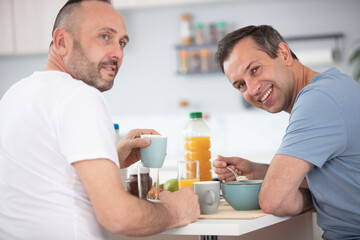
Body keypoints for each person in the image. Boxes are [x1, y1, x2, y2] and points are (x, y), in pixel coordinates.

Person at [0, 0, 200, 239]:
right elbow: (118, 216)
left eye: (122, 42)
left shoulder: (14, 94)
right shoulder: (79, 96)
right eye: (105, 36)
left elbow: (44, 177)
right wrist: (175, 211)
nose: (118, 53)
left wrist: (111, 158)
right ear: (62, 42)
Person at [214, 25, 360, 239]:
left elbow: (274, 200)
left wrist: (306, 196)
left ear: (283, 54)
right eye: (241, 85)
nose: (253, 89)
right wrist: (258, 171)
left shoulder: (318, 101)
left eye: (255, 69)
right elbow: (340, 180)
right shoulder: (336, 85)